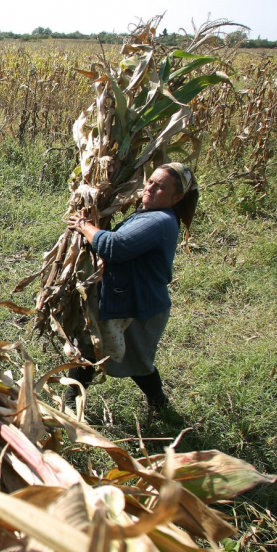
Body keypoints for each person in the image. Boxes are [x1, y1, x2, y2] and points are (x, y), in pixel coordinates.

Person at [63, 162, 199, 415]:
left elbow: (116, 247)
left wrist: (85, 226)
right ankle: (71, 402)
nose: (150, 188)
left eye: (160, 187)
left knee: (137, 362)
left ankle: (159, 404)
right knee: (88, 348)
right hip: (120, 299)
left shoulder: (159, 220)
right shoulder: (149, 213)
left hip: (138, 306)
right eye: (151, 182)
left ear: (177, 197)